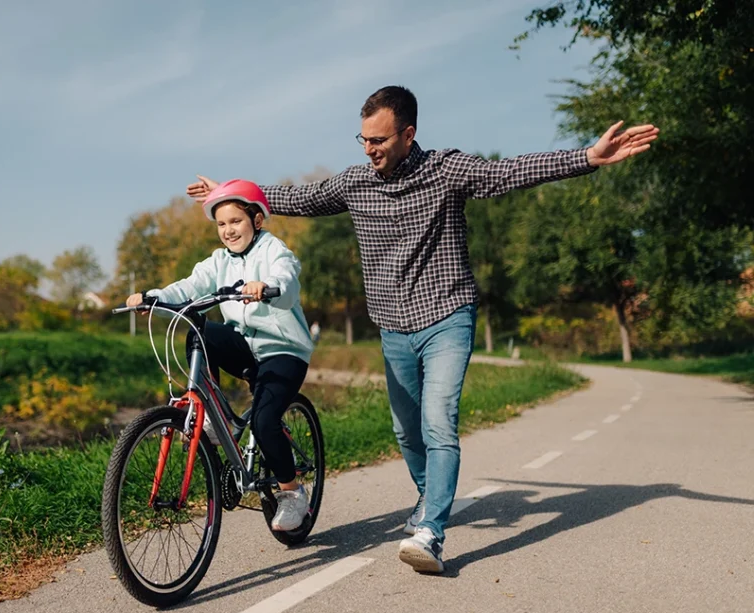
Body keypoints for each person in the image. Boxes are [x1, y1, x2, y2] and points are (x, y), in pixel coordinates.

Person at [186, 85, 658, 572]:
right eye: (363, 139)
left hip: (447, 315)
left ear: (408, 135)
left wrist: (587, 157)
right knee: (406, 432)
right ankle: (427, 496)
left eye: (380, 140)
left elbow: (508, 172)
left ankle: (431, 530)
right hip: (394, 326)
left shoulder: (445, 170)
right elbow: (296, 198)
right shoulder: (356, 182)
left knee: (437, 422)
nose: (369, 150)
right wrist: (231, 194)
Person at [125, 179, 316, 531]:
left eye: (236, 221)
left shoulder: (274, 250)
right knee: (201, 329)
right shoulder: (218, 262)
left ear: (256, 221)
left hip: (283, 351)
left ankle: (292, 494)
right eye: (221, 224)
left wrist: (267, 288)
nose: (228, 230)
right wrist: (152, 297)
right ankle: (210, 414)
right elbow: (189, 286)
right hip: (246, 346)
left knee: (263, 420)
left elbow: (286, 281)